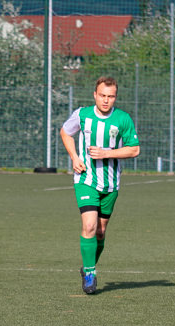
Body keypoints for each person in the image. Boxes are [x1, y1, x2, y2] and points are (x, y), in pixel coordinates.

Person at [60, 76, 140, 294]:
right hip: (85, 180)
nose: (106, 100)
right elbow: (66, 132)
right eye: (102, 95)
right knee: (89, 226)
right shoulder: (82, 115)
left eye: (111, 96)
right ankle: (90, 273)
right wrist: (75, 158)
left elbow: (134, 149)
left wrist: (107, 153)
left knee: (101, 232)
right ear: (95, 95)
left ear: (115, 97)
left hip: (111, 183)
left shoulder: (122, 119)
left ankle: (88, 265)